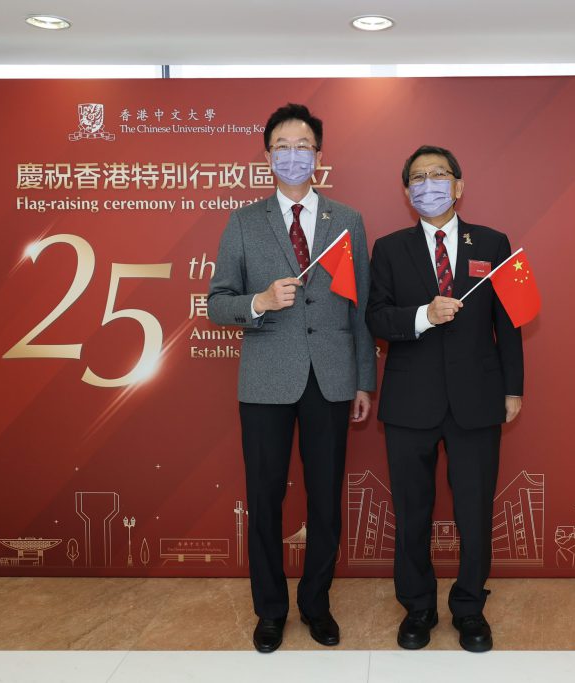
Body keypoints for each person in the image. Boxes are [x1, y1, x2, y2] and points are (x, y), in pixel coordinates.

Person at [207, 103, 375, 653]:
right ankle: (271, 611)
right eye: (282, 145)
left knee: (326, 498)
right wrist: (257, 301)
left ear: (319, 155)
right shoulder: (244, 221)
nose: (293, 153)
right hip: (265, 381)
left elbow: (361, 310)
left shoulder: (346, 220)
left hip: (330, 378)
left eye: (303, 144)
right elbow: (216, 303)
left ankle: (316, 603)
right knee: (265, 497)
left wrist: (363, 381)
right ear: (267, 155)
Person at [366, 145, 524, 653]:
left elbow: (511, 323)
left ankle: (470, 608)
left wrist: (513, 388)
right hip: (411, 402)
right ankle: (418, 607)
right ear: (407, 191)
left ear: (458, 185)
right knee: (412, 511)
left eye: (439, 175)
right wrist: (422, 316)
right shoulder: (389, 248)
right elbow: (376, 317)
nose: (428, 183)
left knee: (474, 511)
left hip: (477, 399)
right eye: (418, 177)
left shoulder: (494, 243)